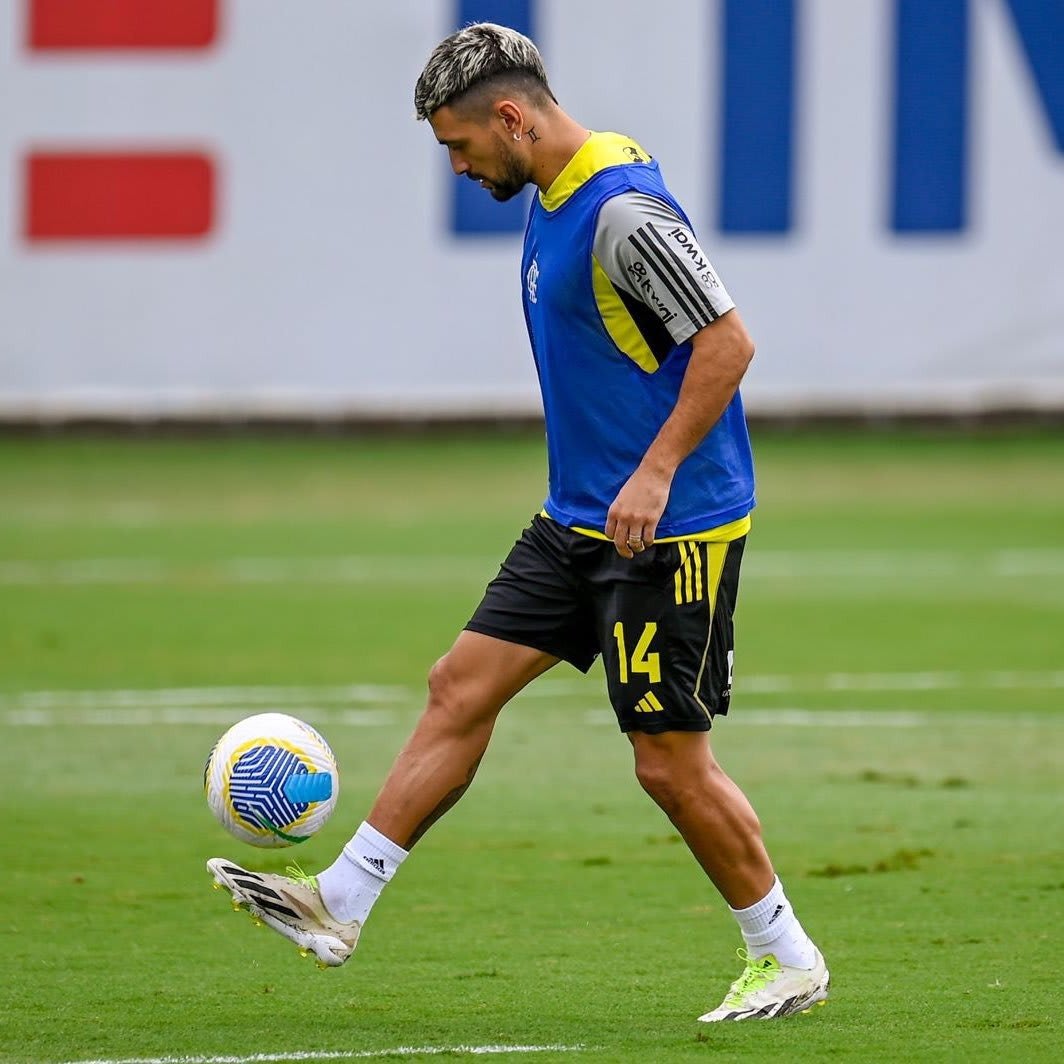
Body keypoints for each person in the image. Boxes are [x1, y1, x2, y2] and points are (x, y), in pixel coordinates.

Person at [208, 22, 828, 1024]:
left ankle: (785, 953)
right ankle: (339, 903)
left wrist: (655, 472)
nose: (456, 166)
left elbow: (727, 343)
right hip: (577, 515)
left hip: (666, 528)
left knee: (666, 760)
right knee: (460, 683)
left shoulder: (621, 213)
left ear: (511, 115)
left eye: (459, 145)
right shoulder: (551, 190)